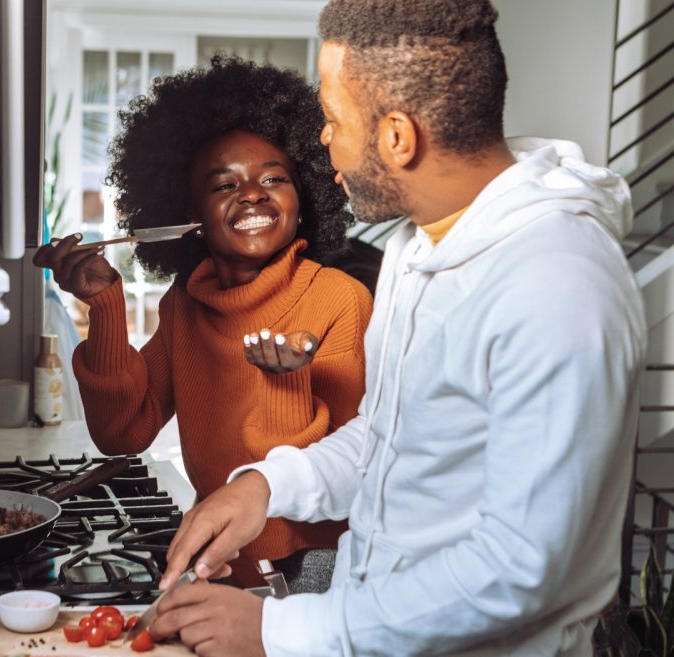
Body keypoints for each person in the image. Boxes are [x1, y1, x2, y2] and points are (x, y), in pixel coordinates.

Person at [151, 2, 648, 656]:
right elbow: (398, 438)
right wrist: (268, 485)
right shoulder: (421, 250)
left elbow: (518, 566)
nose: (322, 141)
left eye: (333, 119)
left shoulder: (558, 285)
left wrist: (283, 630)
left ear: (396, 137)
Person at [33, 56, 373, 592]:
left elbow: (352, 470)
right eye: (224, 185)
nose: (253, 193)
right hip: (220, 555)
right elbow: (123, 433)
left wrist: (284, 380)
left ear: (304, 200)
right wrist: (104, 307)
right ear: (188, 214)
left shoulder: (339, 299)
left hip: (314, 566)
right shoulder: (185, 306)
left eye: (274, 178)